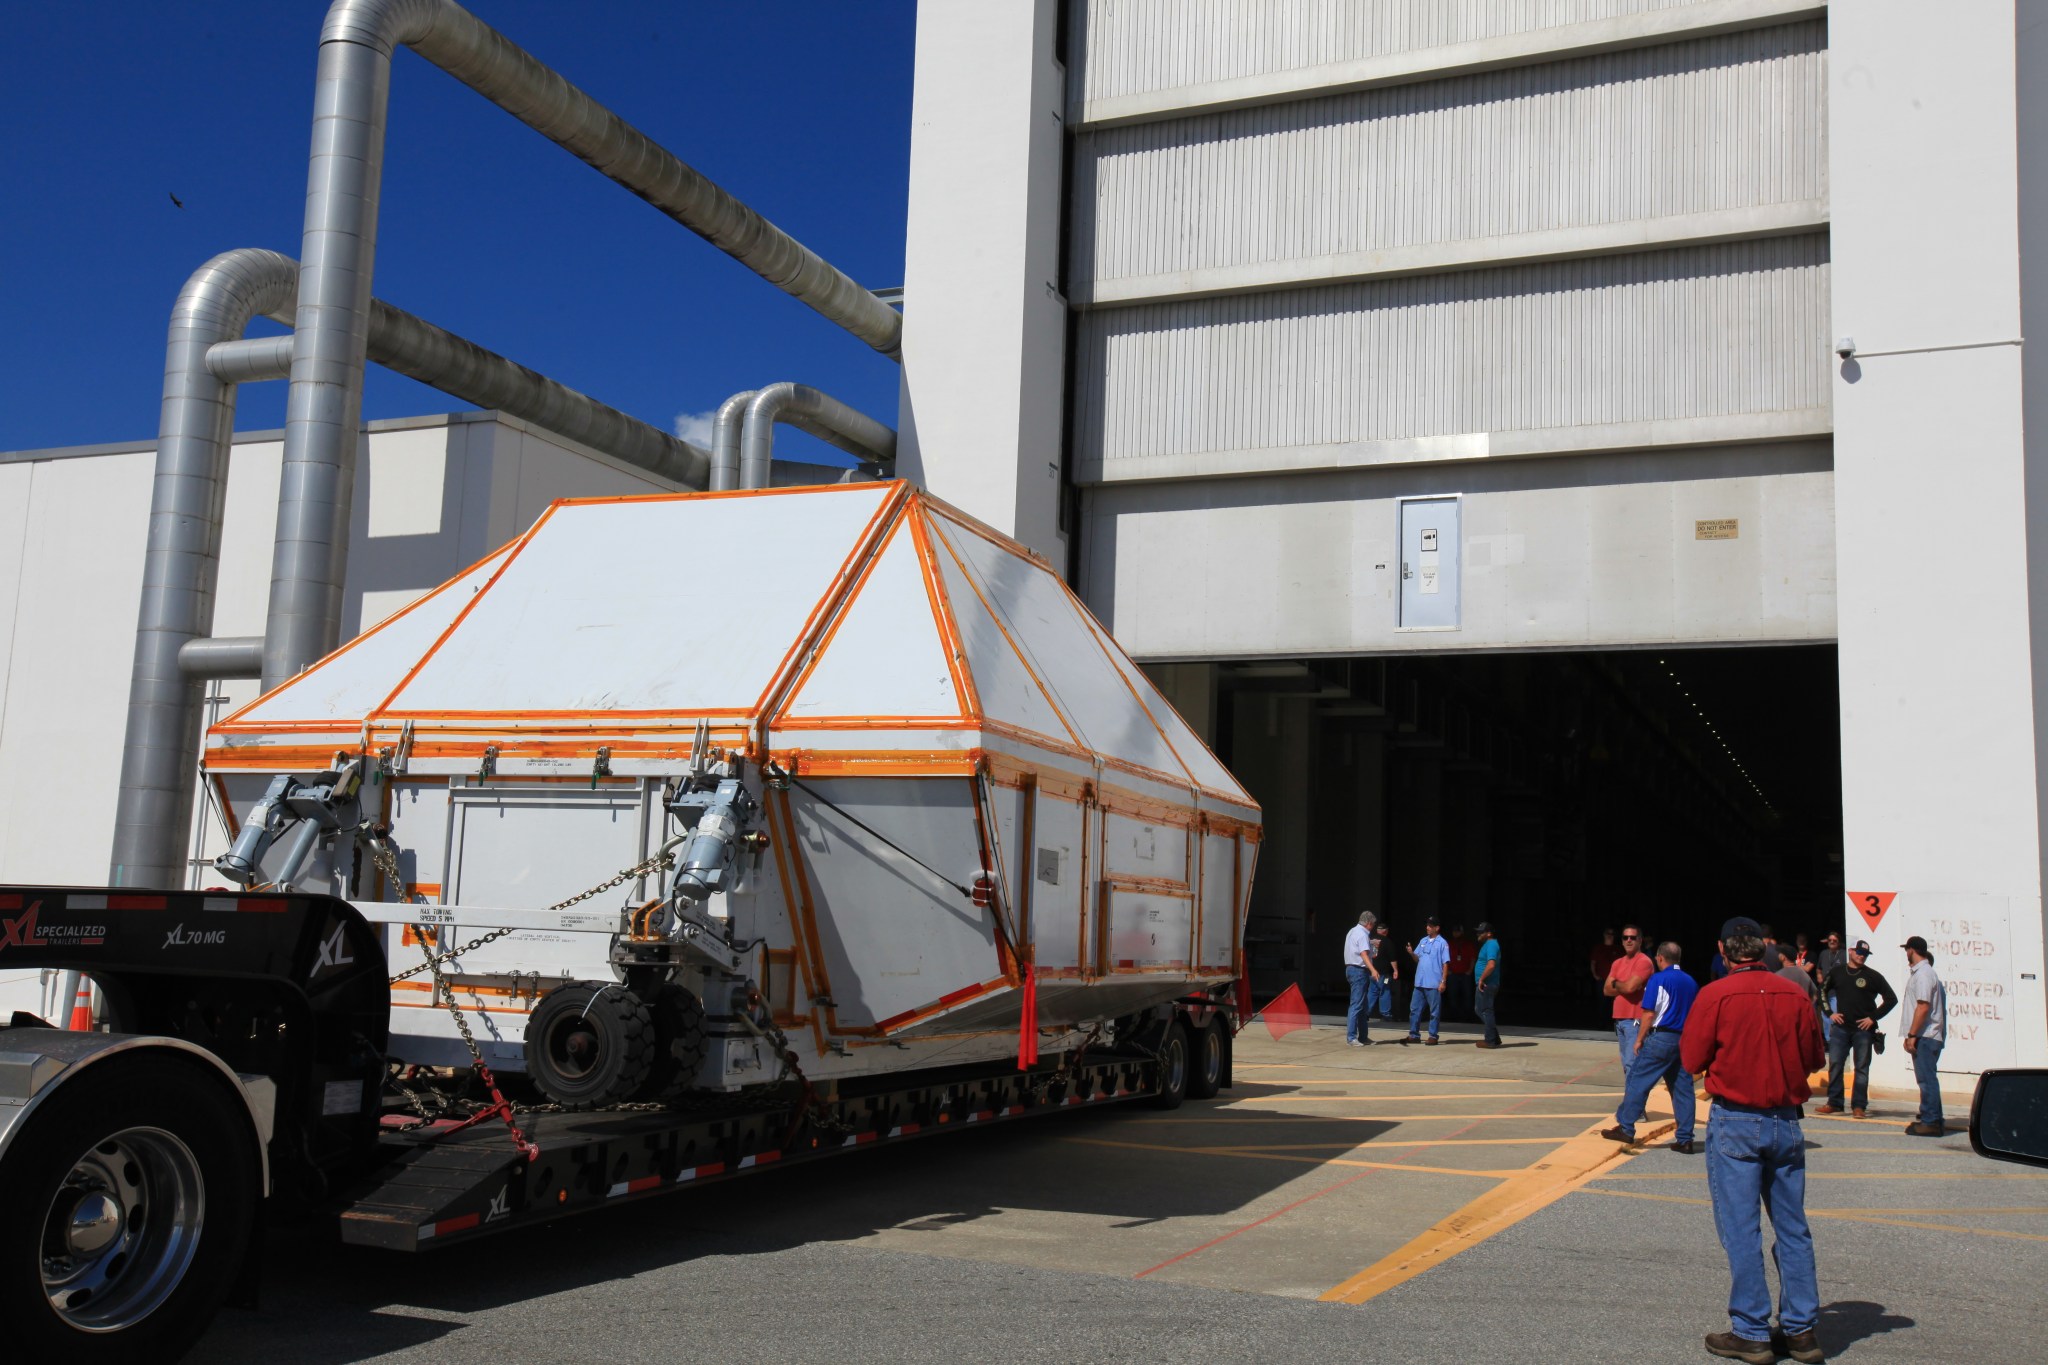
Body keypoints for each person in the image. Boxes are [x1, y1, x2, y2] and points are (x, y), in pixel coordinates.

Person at [1681, 916, 1826, 1365]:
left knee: (1741, 1227)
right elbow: (1814, 1056)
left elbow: (1690, 1059)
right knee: (1793, 1227)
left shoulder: (1715, 995)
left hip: (1737, 1119)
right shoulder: (1794, 994)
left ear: (1723, 952)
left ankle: (1751, 1329)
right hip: (1786, 1119)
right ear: (1763, 949)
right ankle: (1802, 1331)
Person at [1601, 940, 1697, 1152]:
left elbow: (1649, 1013)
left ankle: (1626, 1127)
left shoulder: (1658, 979)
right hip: (1683, 1040)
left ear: (1660, 958)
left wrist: (1640, 1039)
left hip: (1662, 1037)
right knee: (1682, 1089)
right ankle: (1685, 1138)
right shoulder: (1691, 982)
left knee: (1638, 1079)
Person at [1815, 939, 1894, 1119]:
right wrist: (1829, 1013)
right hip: (1841, 1028)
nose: (1861, 956)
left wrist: (1873, 1018)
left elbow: (1891, 999)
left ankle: (1859, 1106)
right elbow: (1821, 991)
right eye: (1858, 952)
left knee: (1862, 1068)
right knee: (1835, 1064)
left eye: (1865, 954)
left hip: (1863, 1030)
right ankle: (1834, 1102)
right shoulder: (1837, 972)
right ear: (1850, 951)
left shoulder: (1873, 976)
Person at [1901, 935, 1949, 1137]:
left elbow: (1923, 1006)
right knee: (1928, 1078)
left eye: (1907, 950)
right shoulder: (1926, 973)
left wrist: (1912, 1034)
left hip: (1925, 1035)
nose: (1906, 954)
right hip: (1928, 1035)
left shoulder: (1923, 974)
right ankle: (1933, 1117)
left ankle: (1930, 1121)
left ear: (1912, 950)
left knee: (1926, 1079)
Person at [1602, 925, 1654, 1069]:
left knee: (1633, 1064)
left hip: (1635, 1020)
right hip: (1620, 1020)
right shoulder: (1617, 963)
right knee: (1626, 1064)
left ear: (1640, 941)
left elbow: (1630, 988)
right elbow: (1606, 990)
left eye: (1633, 938)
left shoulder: (1644, 961)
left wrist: (1616, 984)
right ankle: (1631, 1092)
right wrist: (1623, 986)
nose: (1629, 941)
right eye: (1625, 938)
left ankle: (1633, 1092)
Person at [1403, 916, 1451, 1045]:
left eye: (1430, 926)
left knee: (1434, 1011)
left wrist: (1443, 981)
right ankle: (1414, 1034)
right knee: (1414, 1009)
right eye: (1427, 925)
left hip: (1433, 983)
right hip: (1420, 982)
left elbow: (1445, 963)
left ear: (1437, 928)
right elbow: (1417, 959)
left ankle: (1433, 1036)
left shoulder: (1442, 943)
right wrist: (1412, 953)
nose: (1427, 927)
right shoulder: (1423, 940)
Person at [1343, 911, 1382, 1047]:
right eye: (1372, 924)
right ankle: (1352, 1037)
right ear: (1369, 923)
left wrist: (1373, 947)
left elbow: (1367, 954)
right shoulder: (1362, 934)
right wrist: (1373, 970)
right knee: (1357, 1004)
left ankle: (1363, 1036)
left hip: (1352, 969)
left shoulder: (1352, 931)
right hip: (1359, 970)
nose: (1372, 927)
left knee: (1363, 1005)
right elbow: (1364, 954)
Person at [1472, 923, 1502, 1048]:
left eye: (1481, 932)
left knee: (1485, 1010)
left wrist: (1481, 979)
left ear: (1489, 933)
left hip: (1487, 984)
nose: (1478, 934)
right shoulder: (1488, 945)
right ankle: (1494, 1037)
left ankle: (1490, 1040)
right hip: (1485, 983)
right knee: (1480, 1009)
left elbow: (1491, 965)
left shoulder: (1491, 945)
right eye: (1478, 931)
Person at [1814, 931, 1846, 1044]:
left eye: (1835, 940)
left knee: (1834, 1015)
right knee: (1825, 1017)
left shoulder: (1843, 954)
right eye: (1830, 940)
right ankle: (1828, 1040)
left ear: (1839, 942)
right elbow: (1818, 968)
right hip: (1824, 991)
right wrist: (1819, 976)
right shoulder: (1823, 953)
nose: (1832, 942)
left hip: (1836, 991)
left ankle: (1835, 1040)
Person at [1445, 926, 1476, 1021]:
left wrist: (1470, 970)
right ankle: (1454, 1016)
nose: (1456, 934)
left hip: (1465, 974)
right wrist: (1448, 971)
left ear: (1462, 933)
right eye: (1454, 932)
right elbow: (1444, 958)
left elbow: (1473, 958)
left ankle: (1467, 1016)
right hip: (1452, 974)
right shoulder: (1449, 944)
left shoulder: (1468, 944)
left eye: (1458, 932)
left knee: (1467, 995)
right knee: (1452, 995)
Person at [1370, 922, 1399, 1020]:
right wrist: (1395, 970)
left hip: (1372, 972)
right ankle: (1385, 1013)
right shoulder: (1387, 942)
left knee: (1372, 992)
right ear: (1386, 931)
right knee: (1385, 991)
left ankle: (1366, 1012)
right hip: (1384, 973)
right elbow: (1392, 958)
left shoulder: (1371, 941)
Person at [1590, 927, 1621, 1011]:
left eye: (1612, 934)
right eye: (1608, 933)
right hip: (1602, 980)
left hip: (1614, 981)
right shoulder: (1598, 948)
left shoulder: (1618, 949)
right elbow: (1593, 963)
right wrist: (1595, 975)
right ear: (1604, 934)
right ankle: (1601, 1022)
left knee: (1614, 1003)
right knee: (1601, 1002)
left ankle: (1613, 1022)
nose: (1610, 936)